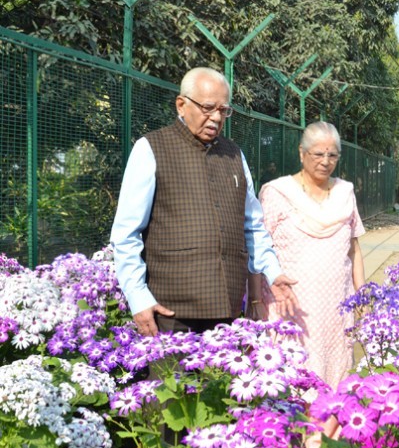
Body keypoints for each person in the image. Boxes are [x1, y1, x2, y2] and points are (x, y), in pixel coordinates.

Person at [110, 67, 298, 337]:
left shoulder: (235, 155)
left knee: (222, 381)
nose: (216, 118)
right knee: (169, 381)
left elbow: (253, 226)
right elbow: (126, 234)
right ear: (181, 105)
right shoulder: (151, 148)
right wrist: (138, 298)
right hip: (170, 313)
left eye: (223, 110)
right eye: (208, 108)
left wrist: (272, 272)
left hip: (227, 310)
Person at [256, 121, 365, 448]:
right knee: (296, 373)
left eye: (333, 154)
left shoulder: (345, 191)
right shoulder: (276, 192)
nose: (326, 160)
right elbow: (258, 247)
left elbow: (355, 248)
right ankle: (290, 447)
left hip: (336, 308)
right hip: (291, 308)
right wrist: (255, 304)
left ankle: (327, 446)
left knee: (335, 372)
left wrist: (362, 295)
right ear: (301, 153)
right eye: (318, 153)